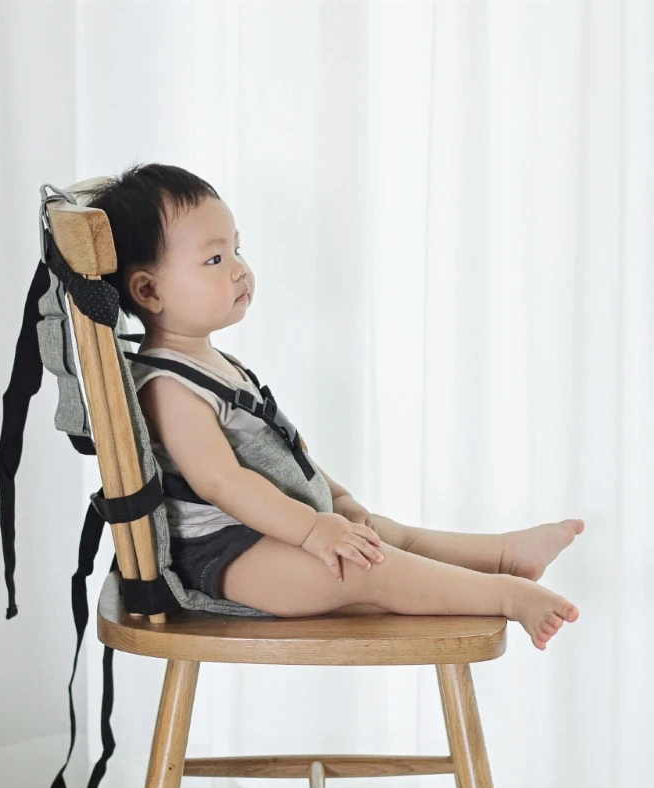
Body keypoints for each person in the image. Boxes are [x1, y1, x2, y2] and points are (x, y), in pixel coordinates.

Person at [79, 161, 582, 651]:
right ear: (149, 289)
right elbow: (222, 483)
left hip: (267, 530)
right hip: (225, 557)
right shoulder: (167, 386)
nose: (239, 270)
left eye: (237, 249)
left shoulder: (213, 362)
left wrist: (334, 498)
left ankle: (501, 554)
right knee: (363, 567)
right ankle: (507, 595)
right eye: (214, 260)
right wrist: (313, 528)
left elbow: (282, 448)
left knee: (383, 534)